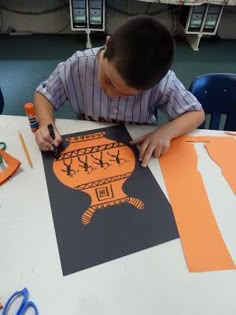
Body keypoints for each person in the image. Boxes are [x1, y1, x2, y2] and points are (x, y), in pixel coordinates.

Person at [34, 15, 205, 167]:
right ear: (108, 45)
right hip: (89, 148)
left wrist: (165, 132)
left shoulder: (161, 81)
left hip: (138, 155)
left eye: (126, 94)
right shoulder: (77, 65)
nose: (112, 93)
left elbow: (196, 114)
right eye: (108, 80)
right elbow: (45, 94)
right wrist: (45, 123)